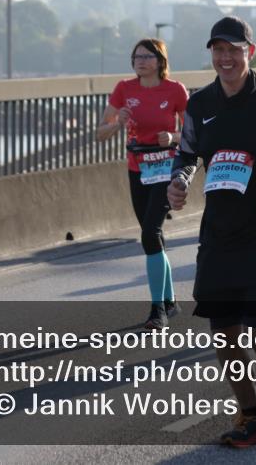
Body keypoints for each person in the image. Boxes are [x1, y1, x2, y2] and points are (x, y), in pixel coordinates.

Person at [166, 16, 256, 446]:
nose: (226, 58)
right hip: (219, 228)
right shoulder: (200, 104)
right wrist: (179, 181)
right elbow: (187, 153)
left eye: (234, 49)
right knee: (225, 331)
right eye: (218, 50)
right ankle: (251, 415)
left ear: (251, 52)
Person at [97, 38, 188, 330]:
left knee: (150, 233)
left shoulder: (175, 90)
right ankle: (171, 301)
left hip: (165, 168)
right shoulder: (124, 89)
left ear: (160, 61)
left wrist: (172, 137)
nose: (141, 61)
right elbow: (100, 133)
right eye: (137, 56)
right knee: (152, 237)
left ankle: (158, 309)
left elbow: (192, 133)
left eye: (147, 56)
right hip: (137, 169)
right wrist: (117, 123)